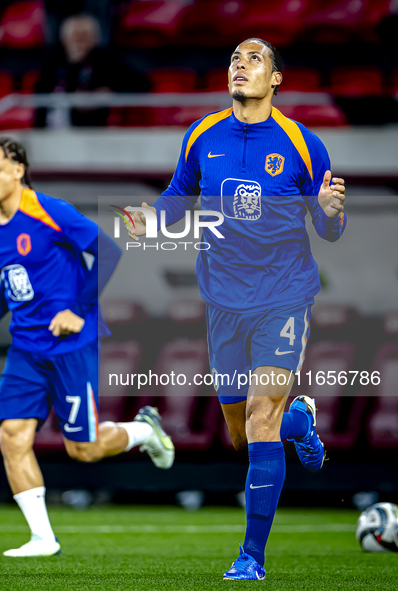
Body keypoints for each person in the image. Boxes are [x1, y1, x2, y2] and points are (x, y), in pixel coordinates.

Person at [125, 38, 346, 580]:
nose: (240, 65)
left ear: (275, 79)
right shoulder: (202, 135)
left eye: (254, 60)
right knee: (243, 436)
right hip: (222, 302)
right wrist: (151, 220)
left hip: (284, 298)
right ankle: (302, 423)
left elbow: (329, 229)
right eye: (233, 59)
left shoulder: (303, 142)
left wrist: (330, 211)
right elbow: (179, 194)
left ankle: (251, 557)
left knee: (259, 415)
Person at [0, 137, 174, 557]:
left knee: (85, 449)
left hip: (70, 346)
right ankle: (43, 538)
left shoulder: (49, 210)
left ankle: (144, 431)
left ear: (19, 169)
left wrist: (78, 310)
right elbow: (13, 282)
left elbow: (109, 251)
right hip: (25, 349)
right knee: (11, 436)